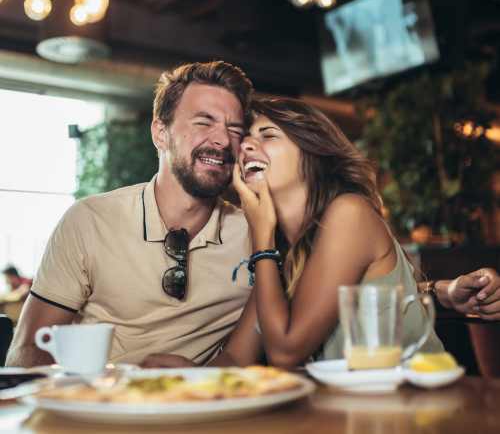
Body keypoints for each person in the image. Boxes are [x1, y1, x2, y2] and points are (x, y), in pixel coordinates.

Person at [144, 97, 444, 369]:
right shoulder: (286, 251)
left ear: (312, 154)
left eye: (268, 135)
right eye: (246, 138)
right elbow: (237, 357)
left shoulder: (349, 213)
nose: (245, 146)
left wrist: (261, 236)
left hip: (415, 406)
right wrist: (189, 376)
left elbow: (285, 352)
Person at [6, 60, 255, 367]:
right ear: (160, 133)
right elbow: (29, 349)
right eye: (204, 123)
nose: (222, 140)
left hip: (198, 404)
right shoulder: (89, 220)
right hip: (94, 404)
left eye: (234, 128)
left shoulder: (254, 234)